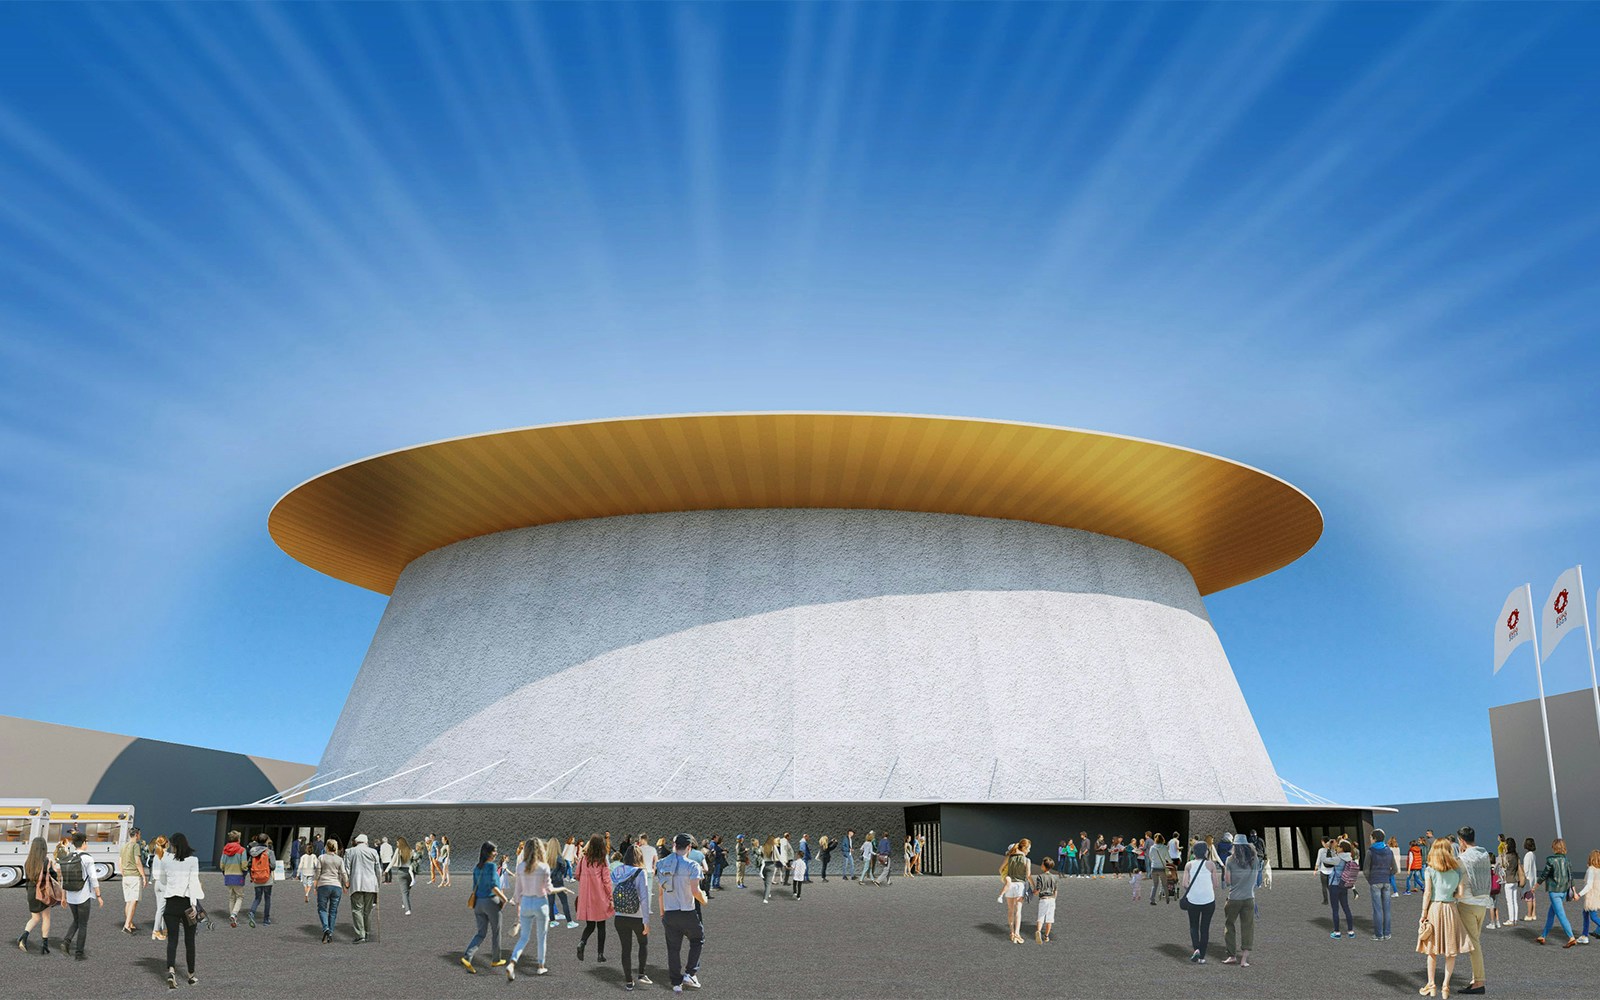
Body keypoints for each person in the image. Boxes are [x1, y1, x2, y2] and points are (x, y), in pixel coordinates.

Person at [1417, 837, 1473, 997]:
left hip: (1435, 908)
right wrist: (1451, 893)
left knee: (1431, 950)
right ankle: (1446, 987)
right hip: (1450, 909)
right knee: (1450, 951)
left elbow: (1427, 893)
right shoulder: (1457, 870)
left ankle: (1431, 985)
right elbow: (1460, 894)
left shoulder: (1430, 870)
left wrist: (1423, 913)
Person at [657, 833, 707, 994]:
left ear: (674, 846)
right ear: (689, 848)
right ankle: (690, 974)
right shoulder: (692, 865)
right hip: (687, 911)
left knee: (673, 948)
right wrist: (704, 899)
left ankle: (676, 983)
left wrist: (662, 913)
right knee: (697, 939)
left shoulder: (661, 864)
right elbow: (695, 890)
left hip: (669, 912)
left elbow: (660, 892)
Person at [157, 832, 204, 988]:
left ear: (173, 845)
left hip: (171, 904)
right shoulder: (193, 861)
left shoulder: (166, 859)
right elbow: (193, 882)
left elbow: (162, 880)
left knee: (172, 940)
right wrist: (194, 905)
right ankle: (191, 975)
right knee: (190, 941)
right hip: (187, 905)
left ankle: (171, 971)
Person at [1453, 827, 1493, 994]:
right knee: (1475, 941)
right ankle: (1475, 978)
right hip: (1483, 902)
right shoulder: (1484, 855)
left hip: (1467, 903)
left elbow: (1457, 881)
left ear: (1461, 840)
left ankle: (1479, 982)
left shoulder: (1462, 859)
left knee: (1473, 945)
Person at [507, 836, 553, 981]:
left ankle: (512, 962)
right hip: (540, 903)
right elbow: (548, 889)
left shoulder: (521, 867)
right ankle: (540, 966)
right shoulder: (544, 867)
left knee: (524, 937)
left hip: (526, 902)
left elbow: (518, 891)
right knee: (541, 937)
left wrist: (518, 910)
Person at [608, 842, 652, 990]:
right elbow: (644, 898)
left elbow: (613, 892)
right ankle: (641, 973)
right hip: (637, 915)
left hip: (620, 916)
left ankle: (628, 982)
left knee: (625, 949)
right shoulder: (640, 872)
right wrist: (646, 920)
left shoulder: (617, 871)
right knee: (643, 943)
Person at [461, 841, 510, 973]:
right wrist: (504, 899)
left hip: (478, 903)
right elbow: (493, 886)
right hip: (490, 902)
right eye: (494, 851)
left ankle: (467, 956)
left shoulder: (477, 868)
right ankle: (495, 959)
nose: (496, 853)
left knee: (481, 933)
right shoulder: (491, 867)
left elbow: (474, 888)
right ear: (488, 853)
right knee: (496, 931)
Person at [57, 830, 103, 960]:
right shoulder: (87, 858)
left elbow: (64, 879)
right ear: (83, 843)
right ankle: (79, 953)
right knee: (83, 924)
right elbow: (93, 878)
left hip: (71, 895)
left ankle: (66, 942)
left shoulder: (68, 857)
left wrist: (64, 897)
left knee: (76, 920)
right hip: (83, 896)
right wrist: (99, 896)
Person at [16, 837, 60, 954]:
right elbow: (54, 878)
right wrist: (54, 868)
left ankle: (23, 938)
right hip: (44, 893)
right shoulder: (47, 861)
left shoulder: (28, 862)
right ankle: (44, 945)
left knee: (35, 918)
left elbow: (28, 880)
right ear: (43, 848)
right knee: (46, 918)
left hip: (31, 893)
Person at [1180, 838, 1220, 964]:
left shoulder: (1189, 865)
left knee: (1193, 926)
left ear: (1194, 852)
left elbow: (1185, 884)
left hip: (1193, 900)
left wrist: (1195, 888)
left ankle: (1196, 949)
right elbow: (1216, 884)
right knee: (1205, 928)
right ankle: (1202, 956)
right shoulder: (1211, 865)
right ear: (1206, 852)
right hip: (1208, 900)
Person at [575, 833, 614, 961]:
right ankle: (600, 955)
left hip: (587, 897)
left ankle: (582, 942)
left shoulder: (584, 858)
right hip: (600, 896)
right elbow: (606, 881)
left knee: (590, 925)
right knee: (601, 926)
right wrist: (611, 896)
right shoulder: (602, 860)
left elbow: (577, 875)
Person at [1534, 838, 1578, 947]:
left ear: (1554, 847)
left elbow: (1544, 875)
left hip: (1554, 892)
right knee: (1551, 914)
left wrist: (1535, 886)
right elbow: (1571, 877)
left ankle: (1571, 937)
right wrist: (1575, 892)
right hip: (1563, 891)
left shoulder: (1551, 860)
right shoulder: (1567, 860)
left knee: (1561, 915)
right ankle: (1543, 936)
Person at [1221, 833, 1257, 966]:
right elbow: (1256, 878)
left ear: (1234, 846)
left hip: (1234, 898)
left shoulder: (1230, 860)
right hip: (1249, 897)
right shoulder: (1254, 859)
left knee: (1229, 925)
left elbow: (1228, 881)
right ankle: (1244, 959)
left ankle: (1232, 956)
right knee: (1248, 927)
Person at [345, 833, 382, 944]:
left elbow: (346, 869)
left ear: (356, 841)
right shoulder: (373, 852)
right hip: (370, 884)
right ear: (366, 842)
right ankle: (367, 933)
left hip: (356, 884)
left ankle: (360, 935)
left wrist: (345, 883)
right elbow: (378, 870)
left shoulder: (349, 851)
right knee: (368, 910)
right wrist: (378, 885)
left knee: (357, 910)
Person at [1365, 827, 1398, 940]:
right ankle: (1387, 933)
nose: (1370, 839)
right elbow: (1394, 869)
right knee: (1387, 909)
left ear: (1374, 838)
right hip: (1386, 882)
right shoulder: (1389, 851)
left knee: (1377, 909)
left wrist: (1371, 880)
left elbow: (1366, 870)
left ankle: (1379, 935)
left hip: (1375, 881)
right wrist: (1388, 876)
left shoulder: (1370, 851)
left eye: (1371, 837)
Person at [314, 838, 348, 944]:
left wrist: (315, 885)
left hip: (323, 885)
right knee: (333, 911)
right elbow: (343, 873)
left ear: (327, 847)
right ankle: (330, 933)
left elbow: (317, 873)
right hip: (336, 886)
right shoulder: (339, 859)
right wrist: (346, 884)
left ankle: (326, 928)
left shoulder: (321, 857)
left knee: (322, 909)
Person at [999, 840, 1031, 944]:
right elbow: (1028, 876)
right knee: (1018, 911)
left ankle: (1012, 933)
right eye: (1029, 848)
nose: (1029, 851)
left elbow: (1000, 869)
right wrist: (1033, 885)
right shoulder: (1027, 860)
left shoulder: (1009, 857)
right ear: (1024, 848)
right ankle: (1017, 934)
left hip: (1010, 885)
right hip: (1020, 885)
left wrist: (1005, 877)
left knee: (1010, 910)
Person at [118, 827, 146, 934]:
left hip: (125, 876)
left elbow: (119, 862)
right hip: (134, 876)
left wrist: (123, 872)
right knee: (134, 901)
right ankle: (126, 925)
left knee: (128, 901)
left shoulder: (124, 846)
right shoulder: (135, 846)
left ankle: (129, 923)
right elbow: (138, 861)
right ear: (137, 834)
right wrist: (143, 876)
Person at [218, 830, 249, 928]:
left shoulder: (225, 850)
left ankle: (233, 920)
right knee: (240, 896)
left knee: (231, 897)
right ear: (238, 839)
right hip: (238, 875)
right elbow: (244, 864)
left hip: (228, 875)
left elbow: (222, 864)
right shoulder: (241, 850)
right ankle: (234, 914)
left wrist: (225, 871)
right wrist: (245, 871)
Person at [245, 832, 276, 927]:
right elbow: (273, 866)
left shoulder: (252, 852)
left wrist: (252, 875)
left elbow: (249, 864)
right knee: (267, 899)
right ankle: (266, 920)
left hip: (256, 878)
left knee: (257, 898)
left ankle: (252, 912)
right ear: (266, 841)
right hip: (267, 878)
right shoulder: (269, 852)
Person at [1328, 838, 1356, 939]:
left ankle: (1337, 932)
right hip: (1344, 885)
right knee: (1346, 907)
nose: (1337, 847)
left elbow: (1327, 862)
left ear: (1342, 848)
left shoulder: (1337, 858)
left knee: (1335, 909)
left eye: (1339, 846)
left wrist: (1330, 848)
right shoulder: (1349, 858)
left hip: (1334, 885)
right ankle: (1350, 931)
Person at [549, 837, 577, 928]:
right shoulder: (559, 857)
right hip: (558, 881)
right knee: (564, 901)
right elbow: (563, 868)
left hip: (549, 882)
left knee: (551, 902)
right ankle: (569, 922)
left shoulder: (546, 857)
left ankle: (552, 921)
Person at [148, 835, 170, 941]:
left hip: (157, 883)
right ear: (166, 844)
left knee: (160, 908)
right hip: (165, 884)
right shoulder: (168, 856)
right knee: (162, 909)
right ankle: (155, 931)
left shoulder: (156, 855)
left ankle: (163, 929)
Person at [1033, 857, 1059, 943]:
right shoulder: (1055, 878)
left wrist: (1033, 892)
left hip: (1043, 899)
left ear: (1044, 866)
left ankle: (1038, 931)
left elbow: (1038, 890)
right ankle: (1047, 936)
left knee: (1040, 917)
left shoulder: (1040, 877)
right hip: (1051, 899)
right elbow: (1055, 891)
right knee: (1049, 919)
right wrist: (1054, 899)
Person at [1578, 849, 1600, 944]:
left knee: (1593, 916)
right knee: (1585, 914)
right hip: (1597, 895)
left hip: (1592, 897)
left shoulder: (1591, 870)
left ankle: (1585, 935)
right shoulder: (1598, 870)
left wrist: (1579, 894)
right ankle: (1585, 935)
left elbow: (1589, 885)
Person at [392, 837, 416, 915]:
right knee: (407, 890)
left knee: (404, 891)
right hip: (411, 872)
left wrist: (386, 870)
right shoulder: (412, 851)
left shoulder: (399, 850)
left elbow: (392, 861)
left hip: (402, 871)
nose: (397, 845)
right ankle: (404, 902)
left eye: (397, 843)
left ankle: (407, 909)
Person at [762, 836, 783, 903]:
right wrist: (784, 863)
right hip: (771, 865)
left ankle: (768, 893)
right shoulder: (773, 847)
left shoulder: (763, 847)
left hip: (764, 865)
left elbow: (761, 856)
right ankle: (765, 898)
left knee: (765, 881)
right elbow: (779, 856)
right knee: (768, 883)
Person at [1315, 837, 1335, 906]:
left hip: (1323, 870)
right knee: (1330, 886)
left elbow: (1318, 860)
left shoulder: (1321, 850)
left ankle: (1325, 900)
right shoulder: (1333, 850)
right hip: (1331, 870)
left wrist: (1316, 869)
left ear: (1323, 842)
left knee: (1324, 886)